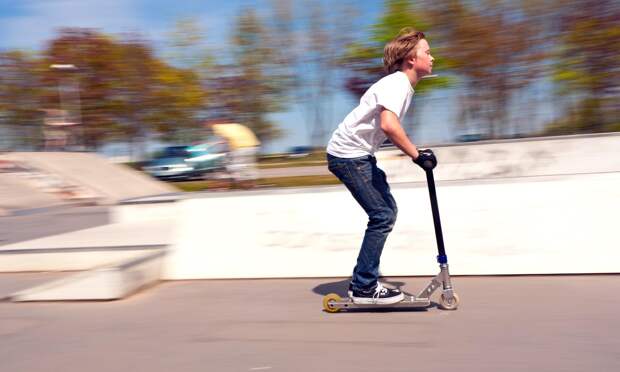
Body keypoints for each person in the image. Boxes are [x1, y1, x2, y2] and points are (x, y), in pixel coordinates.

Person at [325, 28, 438, 305]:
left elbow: (386, 125)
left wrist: (416, 151)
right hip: (348, 155)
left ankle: (363, 280)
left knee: (386, 211)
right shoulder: (398, 84)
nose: (432, 57)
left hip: (358, 155)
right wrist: (416, 156)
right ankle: (363, 286)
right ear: (411, 59)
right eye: (427, 52)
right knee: (382, 215)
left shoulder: (400, 85)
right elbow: (389, 125)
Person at [206, 122, 261, 189]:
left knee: (233, 166)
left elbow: (224, 140)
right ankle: (251, 184)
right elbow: (229, 139)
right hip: (254, 146)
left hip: (240, 147)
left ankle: (227, 183)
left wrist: (215, 147)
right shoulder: (236, 125)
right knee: (249, 165)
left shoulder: (217, 127)